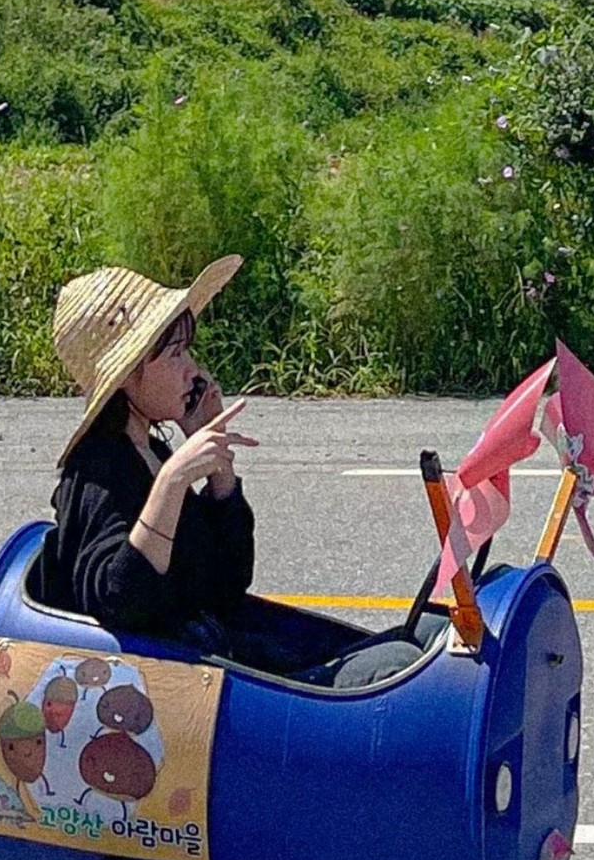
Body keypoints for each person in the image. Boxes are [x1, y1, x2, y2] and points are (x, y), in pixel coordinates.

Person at [31, 257, 427, 685]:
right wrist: (171, 482)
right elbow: (119, 605)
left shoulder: (155, 450)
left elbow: (228, 583)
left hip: (228, 651)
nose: (193, 370)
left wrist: (219, 472)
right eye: (176, 354)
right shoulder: (95, 472)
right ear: (127, 373)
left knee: (426, 639)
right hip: (187, 685)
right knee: (395, 667)